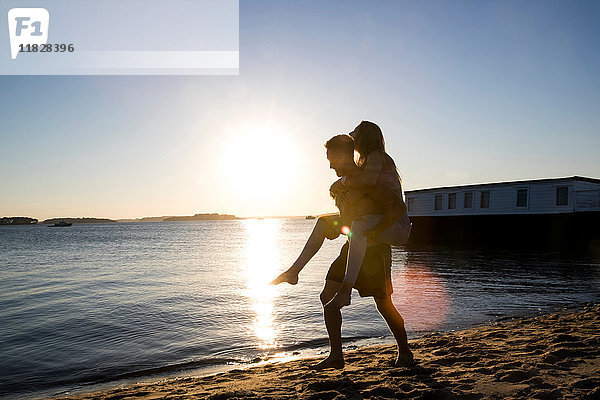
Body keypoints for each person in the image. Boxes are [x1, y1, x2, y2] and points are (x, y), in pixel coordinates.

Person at [271, 134, 414, 369]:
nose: (329, 165)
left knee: (384, 305)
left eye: (331, 159)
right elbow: (350, 219)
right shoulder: (346, 182)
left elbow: (396, 206)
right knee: (327, 297)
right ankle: (336, 355)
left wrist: (376, 230)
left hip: (374, 250)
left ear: (344, 156)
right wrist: (337, 223)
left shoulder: (366, 181)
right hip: (352, 246)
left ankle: (405, 351)